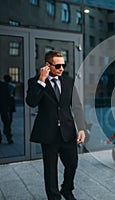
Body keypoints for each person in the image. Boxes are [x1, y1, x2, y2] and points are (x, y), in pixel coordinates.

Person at [26, 50, 86, 200]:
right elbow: (31, 102)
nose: (61, 69)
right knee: (50, 170)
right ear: (48, 65)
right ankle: (54, 197)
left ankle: (67, 189)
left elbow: (77, 106)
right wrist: (41, 80)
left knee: (72, 164)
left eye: (63, 65)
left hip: (67, 132)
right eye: (58, 66)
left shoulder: (69, 81)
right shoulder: (35, 82)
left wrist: (82, 128)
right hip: (49, 133)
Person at [0, 79, 13, 144]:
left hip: (3, 106)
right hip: (4, 106)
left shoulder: (4, 85)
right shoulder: (4, 85)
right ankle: (8, 137)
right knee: (6, 123)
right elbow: (9, 97)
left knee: (6, 122)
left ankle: (7, 136)